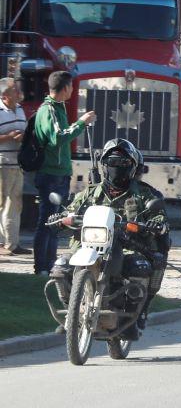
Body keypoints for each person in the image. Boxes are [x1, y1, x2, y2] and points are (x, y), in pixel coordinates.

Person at [52, 138, 169, 334]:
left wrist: (156, 223)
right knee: (60, 268)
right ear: (104, 166)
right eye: (112, 162)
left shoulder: (145, 194)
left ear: (133, 167)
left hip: (128, 245)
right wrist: (61, 217)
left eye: (123, 163)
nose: (117, 167)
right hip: (87, 246)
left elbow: (159, 215)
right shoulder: (89, 194)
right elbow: (71, 211)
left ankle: (135, 316)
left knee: (140, 267)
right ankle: (71, 314)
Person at [32, 71, 96, 274]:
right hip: (51, 175)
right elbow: (58, 138)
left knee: (55, 223)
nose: (73, 90)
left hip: (58, 174)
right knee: (47, 222)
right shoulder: (49, 110)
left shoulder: (57, 108)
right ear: (66, 88)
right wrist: (81, 123)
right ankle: (41, 267)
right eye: (71, 86)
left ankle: (48, 266)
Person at [0, 77, 28, 256]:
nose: (19, 93)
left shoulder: (19, 109)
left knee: (15, 204)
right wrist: (9, 137)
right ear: (4, 95)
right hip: (2, 165)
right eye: (14, 90)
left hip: (17, 164)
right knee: (1, 205)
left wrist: (23, 136)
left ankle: (12, 244)